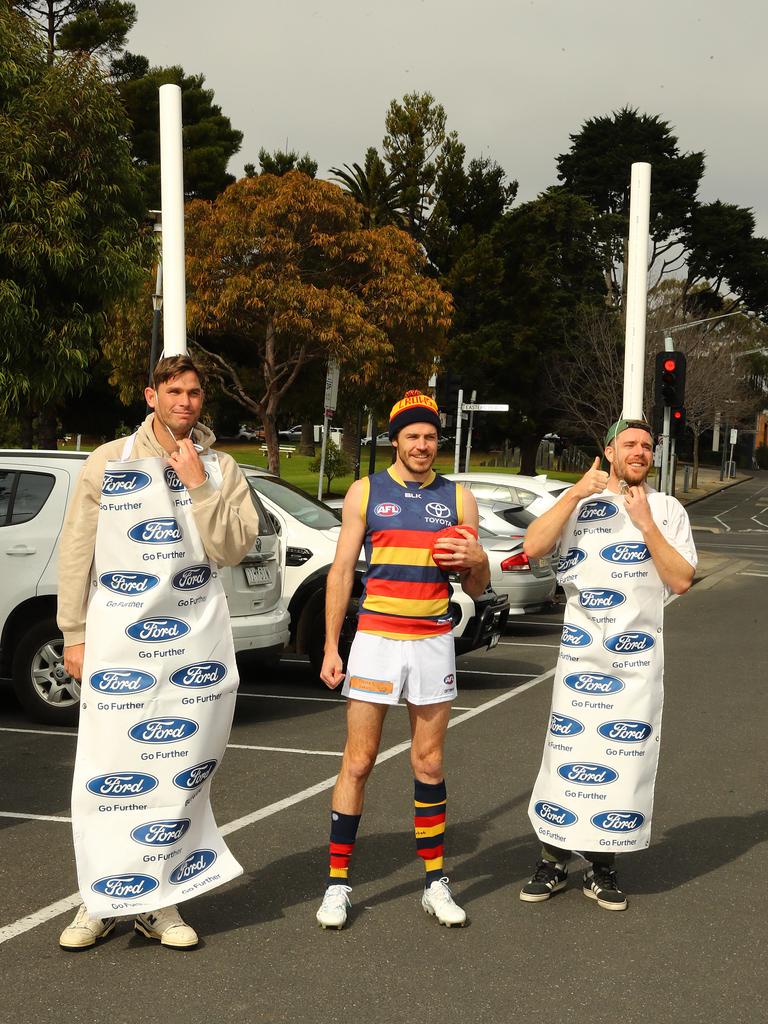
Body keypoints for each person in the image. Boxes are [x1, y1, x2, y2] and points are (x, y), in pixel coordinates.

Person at [57, 354, 259, 950]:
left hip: (195, 651)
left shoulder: (223, 468)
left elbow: (230, 550)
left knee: (178, 780)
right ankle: (98, 900)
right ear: (151, 395)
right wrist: (73, 633)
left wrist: (198, 484)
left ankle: (162, 902)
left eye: (195, 393)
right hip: (118, 647)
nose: (186, 402)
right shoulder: (107, 461)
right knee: (103, 776)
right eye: (174, 391)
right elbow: (77, 550)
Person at [316, 390, 490, 929]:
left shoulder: (458, 498)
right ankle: (337, 885)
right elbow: (342, 571)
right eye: (412, 436)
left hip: (433, 639)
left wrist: (479, 559)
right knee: (359, 761)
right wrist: (329, 646)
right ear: (396, 440)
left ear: (440, 441)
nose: (422, 445)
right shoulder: (366, 492)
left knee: (429, 762)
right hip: (377, 640)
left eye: (430, 436)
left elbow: (476, 586)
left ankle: (436, 881)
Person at [520, 418, 697, 911]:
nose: (639, 452)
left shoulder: (667, 509)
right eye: (630, 444)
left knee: (623, 767)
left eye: (647, 446)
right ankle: (552, 861)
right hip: (580, 659)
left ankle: (603, 869)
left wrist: (645, 525)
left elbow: (682, 580)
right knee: (564, 761)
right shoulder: (580, 502)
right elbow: (533, 546)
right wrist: (575, 493)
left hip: (637, 665)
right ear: (610, 450)